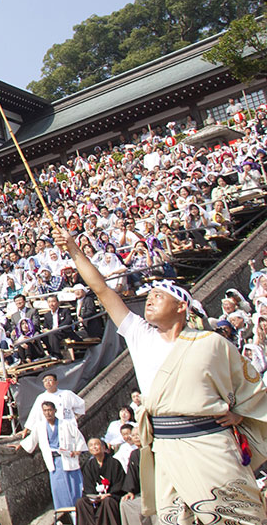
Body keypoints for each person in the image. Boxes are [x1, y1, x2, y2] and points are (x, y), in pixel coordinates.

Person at [58, 222, 267, 523]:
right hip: (165, 446)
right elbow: (102, 289)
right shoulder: (141, 335)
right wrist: (74, 250)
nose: (150, 299)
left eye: (159, 295)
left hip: (209, 441)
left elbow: (251, 388)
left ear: (181, 307)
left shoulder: (211, 344)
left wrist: (239, 414)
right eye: (149, 295)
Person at [75, 437, 126, 525]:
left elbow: (120, 482)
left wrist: (109, 494)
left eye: (96, 444)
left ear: (103, 447)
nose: (94, 447)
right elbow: (88, 486)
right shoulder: (89, 465)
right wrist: (95, 497)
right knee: (81, 502)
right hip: (96, 497)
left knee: (107, 501)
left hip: (111, 496)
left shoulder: (114, 463)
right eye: (91, 445)